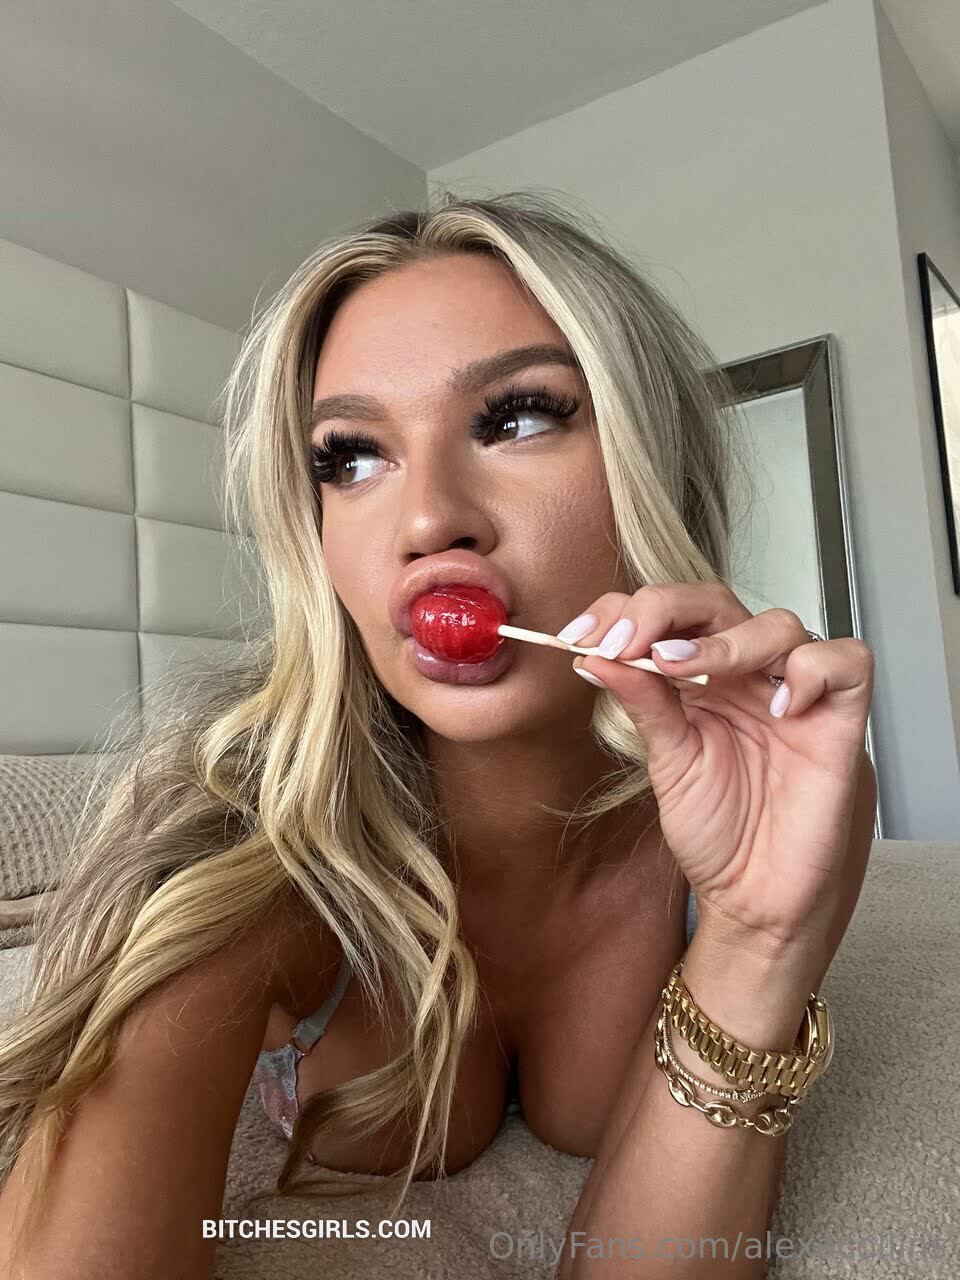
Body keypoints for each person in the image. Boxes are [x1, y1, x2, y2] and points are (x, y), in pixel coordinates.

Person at [0, 189, 876, 1279]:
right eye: (350, 458)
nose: (426, 521)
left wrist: (756, 941)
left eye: (517, 417)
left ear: (653, 463)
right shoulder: (237, 861)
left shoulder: (759, 815)